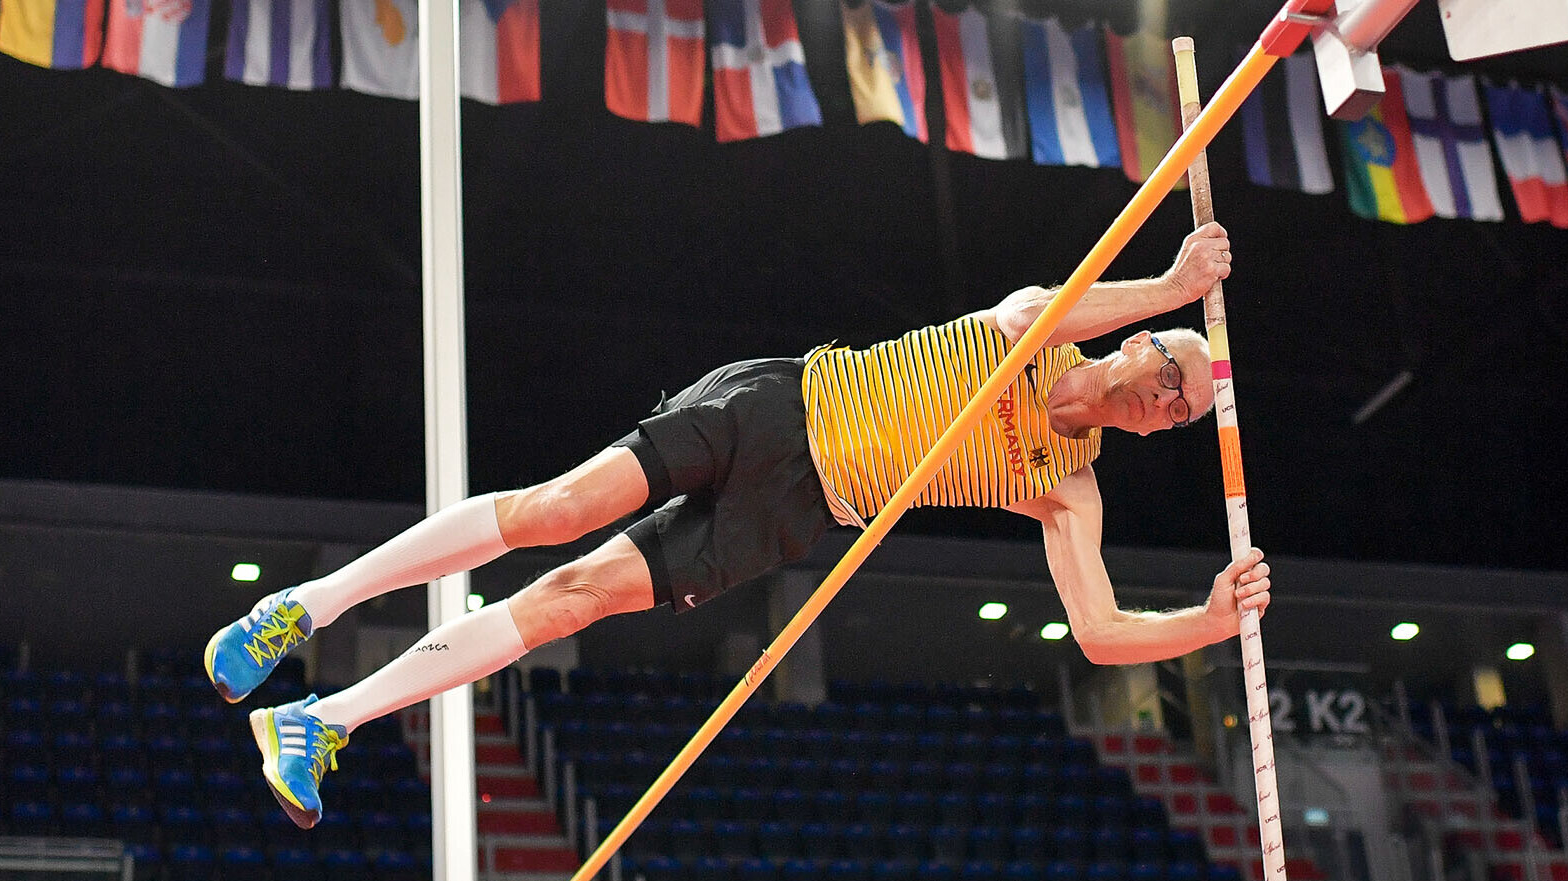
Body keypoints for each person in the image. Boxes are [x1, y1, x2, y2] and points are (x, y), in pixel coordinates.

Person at [204, 224, 1269, 828]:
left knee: (571, 599)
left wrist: (1209, 622)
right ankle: (301, 607)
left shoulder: (1068, 486)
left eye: (1180, 414)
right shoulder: (1038, 324)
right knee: (554, 512)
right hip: (779, 408)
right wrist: (1174, 285)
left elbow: (1100, 634)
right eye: (1171, 377)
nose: (1166, 405)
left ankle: (324, 720)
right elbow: (1063, 307)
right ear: (1139, 347)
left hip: (797, 512)